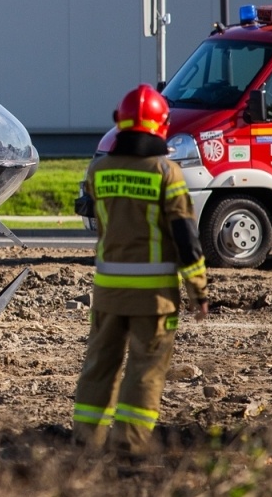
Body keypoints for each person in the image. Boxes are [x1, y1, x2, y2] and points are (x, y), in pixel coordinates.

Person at [72, 84, 209, 454]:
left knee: (100, 366)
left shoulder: (98, 171)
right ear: (162, 125)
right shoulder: (167, 173)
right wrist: (198, 289)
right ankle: (129, 447)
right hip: (155, 298)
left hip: (108, 293)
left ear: (121, 122)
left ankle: (86, 441)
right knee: (145, 372)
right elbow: (185, 237)